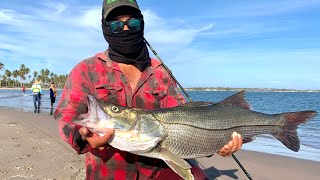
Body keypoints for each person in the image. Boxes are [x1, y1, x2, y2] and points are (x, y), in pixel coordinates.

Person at [54, 0, 243, 179]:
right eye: (116, 25)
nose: (126, 29)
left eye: (133, 23)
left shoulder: (160, 72)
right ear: (105, 28)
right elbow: (66, 115)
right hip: (109, 173)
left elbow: (185, 120)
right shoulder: (87, 70)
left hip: (158, 168)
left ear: (142, 25)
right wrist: (81, 136)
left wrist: (218, 142)